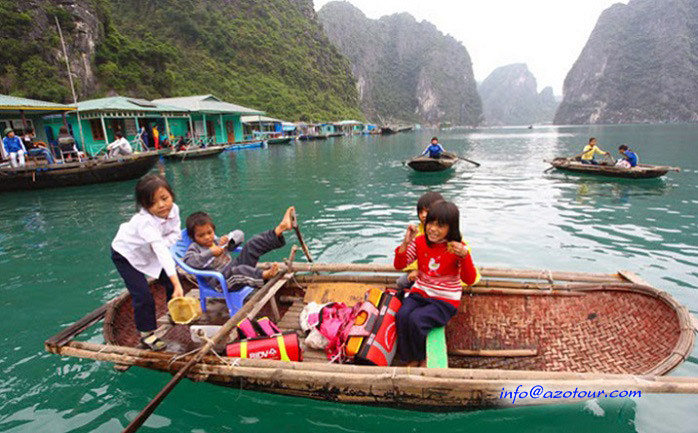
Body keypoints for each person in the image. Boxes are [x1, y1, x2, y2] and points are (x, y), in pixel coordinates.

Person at [393, 201, 479, 367]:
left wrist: (465, 256)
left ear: (451, 228)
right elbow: (399, 264)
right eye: (430, 223)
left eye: (440, 226)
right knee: (402, 316)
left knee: (417, 320)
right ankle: (410, 357)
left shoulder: (457, 249)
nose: (432, 229)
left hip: (444, 300)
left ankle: (422, 357)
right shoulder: (419, 242)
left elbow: (469, 279)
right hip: (421, 292)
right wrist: (405, 243)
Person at [111, 174, 184, 351]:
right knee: (143, 295)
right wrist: (177, 284)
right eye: (152, 203)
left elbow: (176, 235)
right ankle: (147, 335)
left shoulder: (174, 210)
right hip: (126, 255)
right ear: (144, 205)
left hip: (149, 251)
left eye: (164, 198)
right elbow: (161, 250)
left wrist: (175, 283)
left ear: (171, 195)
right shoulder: (144, 222)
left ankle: (172, 310)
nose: (161, 205)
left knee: (172, 281)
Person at [183, 207, 297, 293]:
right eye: (201, 235)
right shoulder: (195, 247)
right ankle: (264, 275)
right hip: (220, 282)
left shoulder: (217, 241)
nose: (207, 237)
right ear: (193, 237)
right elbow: (189, 262)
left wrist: (229, 240)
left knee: (251, 245)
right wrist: (210, 253)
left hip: (233, 267)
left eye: (209, 232)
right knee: (237, 271)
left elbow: (240, 235)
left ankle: (280, 229)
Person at [396, 191, 445, 291]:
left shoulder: (447, 233)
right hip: (425, 273)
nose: (423, 215)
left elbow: (444, 261)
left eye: (427, 211)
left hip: (443, 277)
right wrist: (406, 242)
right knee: (401, 282)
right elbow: (399, 264)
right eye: (421, 212)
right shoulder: (418, 232)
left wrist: (419, 272)